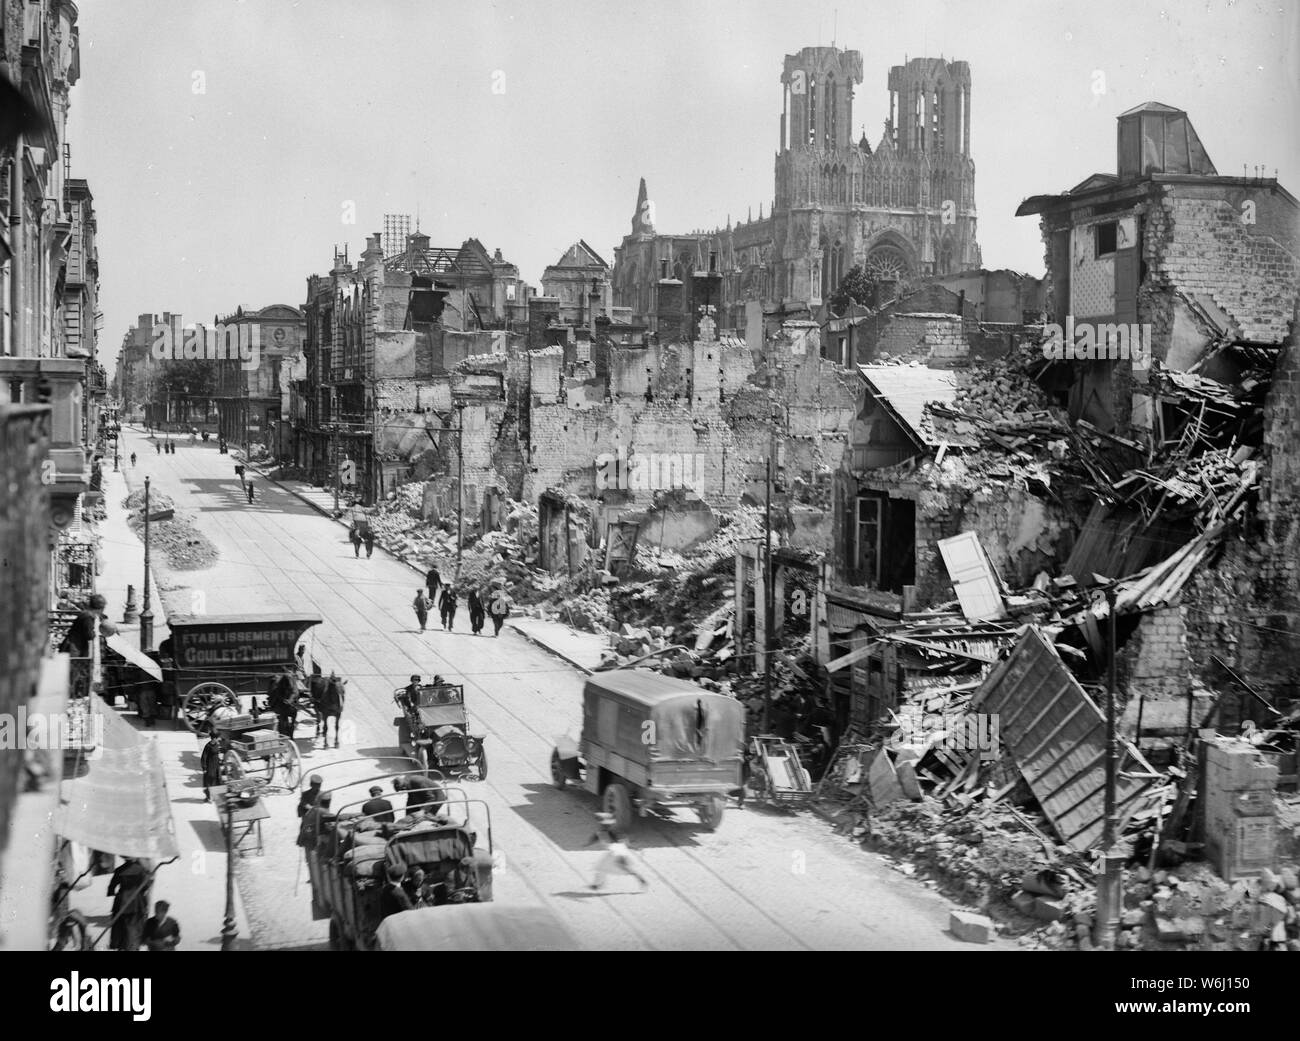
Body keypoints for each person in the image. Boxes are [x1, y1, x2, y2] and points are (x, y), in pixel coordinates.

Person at [586, 812, 649, 892]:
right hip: (620, 850)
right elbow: (626, 843)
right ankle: (597, 885)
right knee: (605, 867)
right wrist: (635, 848)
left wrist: (587, 844)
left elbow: (593, 840)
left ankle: (641, 879)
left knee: (604, 867)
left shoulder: (601, 833)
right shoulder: (616, 832)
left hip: (614, 852)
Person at [107, 857, 152, 950]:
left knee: (120, 925)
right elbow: (146, 886)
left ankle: (122, 945)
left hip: (121, 901)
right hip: (136, 902)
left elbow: (111, 886)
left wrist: (112, 892)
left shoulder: (119, 870)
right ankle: (133, 946)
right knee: (135, 925)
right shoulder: (141, 870)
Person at [58, 594, 117, 660]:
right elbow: (89, 635)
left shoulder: (86, 613)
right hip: (72, 649)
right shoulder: (88, 617)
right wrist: (100, 633)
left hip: (71, 647)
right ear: (101, 608)